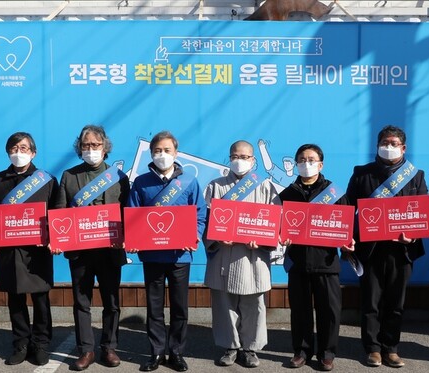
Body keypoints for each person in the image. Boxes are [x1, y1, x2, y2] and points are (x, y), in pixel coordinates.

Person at [345, 125, 427, 368]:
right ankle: (372, 348)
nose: (388, 147)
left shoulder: (416, 175)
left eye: (393, 143)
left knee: (395, 302)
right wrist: (346, 237)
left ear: (403, 148)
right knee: (370, 301)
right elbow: (348, 208)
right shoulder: (362, 173)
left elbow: (423, 212)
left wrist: (412, 235)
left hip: (402, 250)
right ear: (377, 145)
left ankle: (391, 347)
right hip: (370, 249)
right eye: (384, 142)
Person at [127, 131, 207, 372]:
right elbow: (132, 214)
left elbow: (200, 214)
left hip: (180, 256)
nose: (162, 155)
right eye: (157, 151)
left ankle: (177, 352)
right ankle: (156, 352)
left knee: (180, 307)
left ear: (176, 153)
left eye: (167, 150)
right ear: (151, 154)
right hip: (152, 255)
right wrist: (132, 239)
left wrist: (195, 235)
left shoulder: (190, 182)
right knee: (154, 307)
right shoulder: (140, 183)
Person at [54, 125, 129, 371]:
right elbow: (61, 213)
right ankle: (86, 350)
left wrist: (128, 237)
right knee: (81, 302)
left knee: (111, 302)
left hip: (110, 249)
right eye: (85, 145)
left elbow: (128, 214)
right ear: (79, 148)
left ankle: (109, 347)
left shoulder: (118, 176)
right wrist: (57, 239)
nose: (90, 149)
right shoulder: (69, 176)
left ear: (104, 147)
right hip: (79, 251)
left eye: (95, 145)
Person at [202, 140, 281, 368]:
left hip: (253, 256)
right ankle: (230, 347)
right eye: (235, 156)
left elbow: (275, 221)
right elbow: (204, 221)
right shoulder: (215, 186)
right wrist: (215, 238)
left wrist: (264, 240)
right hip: (224, 254)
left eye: (245, 157)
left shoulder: (266, 187)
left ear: (253, 160)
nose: (240, 161)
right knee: (224, 304)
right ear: (229, 158)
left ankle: (250, 348)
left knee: (254, 305)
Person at [278, 143, 353, 371]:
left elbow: (347, 228)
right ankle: (301, 351)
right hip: (298, 262)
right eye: (301, 160)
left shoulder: (336, 194)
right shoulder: (286, 194)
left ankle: (327, 353)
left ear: (320, 164)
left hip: (327, 263)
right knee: (300, 311)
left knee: (329, 312)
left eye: (311, 160)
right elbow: (278, 227)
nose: (306, 164)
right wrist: (281, 236)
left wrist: (348, 243)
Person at [0, 132, 58, 366]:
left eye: (24, 148)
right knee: (15, 299)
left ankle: (41, 343)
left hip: (37, 251)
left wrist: (54, 238)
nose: (19, 152)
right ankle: (20, 343)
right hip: (8, 251)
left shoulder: (46, 180)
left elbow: (57, 214)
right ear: (8, 152)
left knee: (40, 299)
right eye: (14, 148)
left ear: (33, 152)